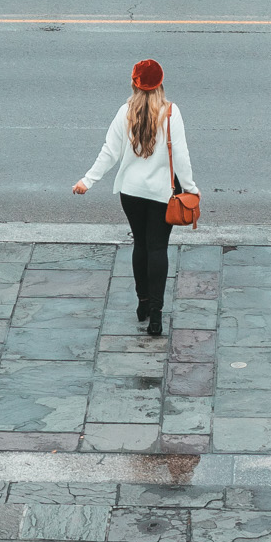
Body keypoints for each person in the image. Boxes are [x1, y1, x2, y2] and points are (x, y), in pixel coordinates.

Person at [74, 58, 198, 336]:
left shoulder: (125, 112)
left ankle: (142, 302)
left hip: (130, 193)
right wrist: (190, 188)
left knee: (140, 246)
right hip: (161, 194)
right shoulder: (170, 113)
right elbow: (181, 156)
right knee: (158, 249)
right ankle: (156, 315)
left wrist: (87, 180)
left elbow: (110, 151)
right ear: (161, 84)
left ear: (134, 83)